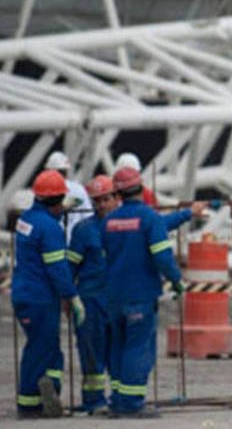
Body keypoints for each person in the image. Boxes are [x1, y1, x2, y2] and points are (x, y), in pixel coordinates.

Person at [102, 167, 182, 418]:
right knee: (138, 347)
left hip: (113, 295)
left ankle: (117, 399)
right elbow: (162, 256)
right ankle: (132, 403)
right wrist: (177, 280)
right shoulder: (150, 218)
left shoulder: (108, 222)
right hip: (141, 294)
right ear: (142, 187)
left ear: (118, 193)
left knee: (118, 345)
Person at [12, 170, 85, 419]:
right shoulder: (50, 228)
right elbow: (58, 269)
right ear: (56, 201)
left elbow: (43, 220)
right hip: (39, 298)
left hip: (25, 293)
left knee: (51, 348)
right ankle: (29, 404)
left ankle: (50, 391)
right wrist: (72, 296)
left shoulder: (27, 219)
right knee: (40, 348)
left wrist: (61, 209)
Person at [67, 175, 117, 415]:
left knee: (117, 352)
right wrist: (68, 297)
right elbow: (70, 267)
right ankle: (94, 400)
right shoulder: (83, 230)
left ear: (117, 198)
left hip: (118, 299)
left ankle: (120, 398)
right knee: (91, 351)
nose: (101, 205)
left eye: (106, 199)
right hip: (90, 300)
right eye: (97, 200)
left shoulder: (125, 226)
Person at [45, 151, 93, 242]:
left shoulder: (44, 192)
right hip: (76, 244)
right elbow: (88, 218)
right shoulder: (79, 189)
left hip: (53, 243)